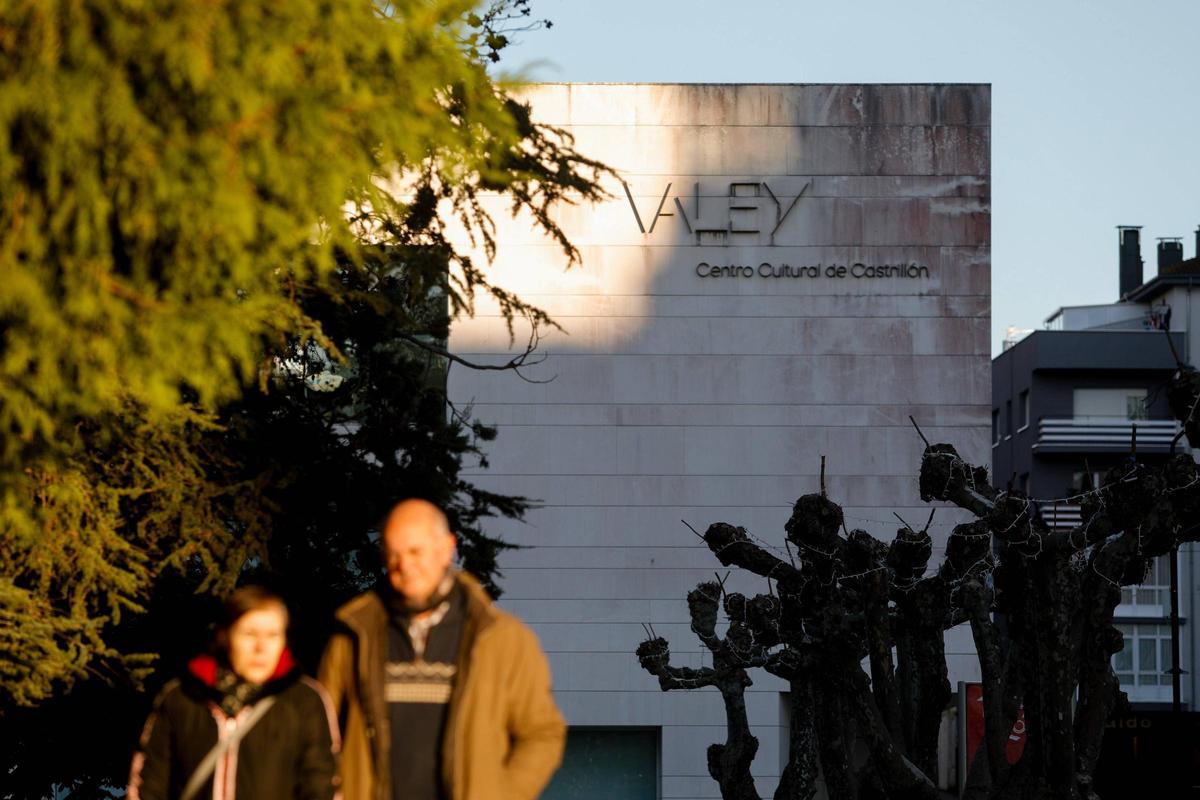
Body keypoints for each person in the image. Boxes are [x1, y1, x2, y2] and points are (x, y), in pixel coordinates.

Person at [319, 499, 565, 800]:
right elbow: (319, 734)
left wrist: (502, 794)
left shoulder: (504, 639)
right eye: (393, 553)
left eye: (415, 551)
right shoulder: (353, 636)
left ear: (447, 548)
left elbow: (541, 734)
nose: (404, 565)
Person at [129, 586, 340, 800]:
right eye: (249, 634)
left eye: (273, 635)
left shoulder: (304, 701)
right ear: (225, 636)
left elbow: (321, 786)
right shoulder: (182, 697)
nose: (261, 647)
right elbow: (149, 785)